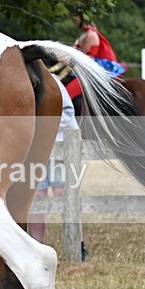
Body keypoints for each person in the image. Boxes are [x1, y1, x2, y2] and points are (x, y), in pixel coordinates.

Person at [28, 77, 88, 260]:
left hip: (60, 146)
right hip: (34, 150)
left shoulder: (49, 81)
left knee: (64, 194)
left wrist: (38, 126)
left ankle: (77, 244)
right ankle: (36, 246)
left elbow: (66, 114)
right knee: (36, 198)